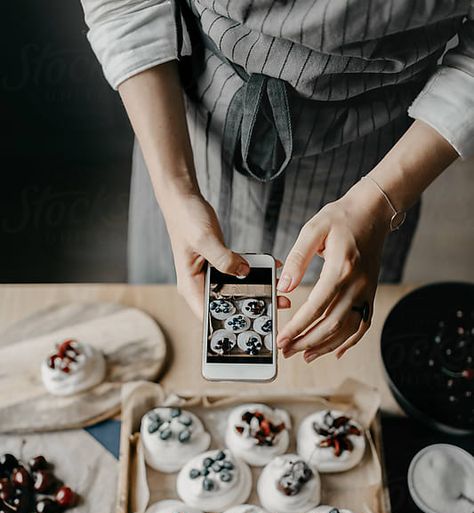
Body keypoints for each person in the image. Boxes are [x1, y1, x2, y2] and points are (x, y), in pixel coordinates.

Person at [81, 0, 473, 362]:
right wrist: (175, 189)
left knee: (329, 323)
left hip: (376, 152)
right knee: (174, 312)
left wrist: (379, 200)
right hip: (184, 119)